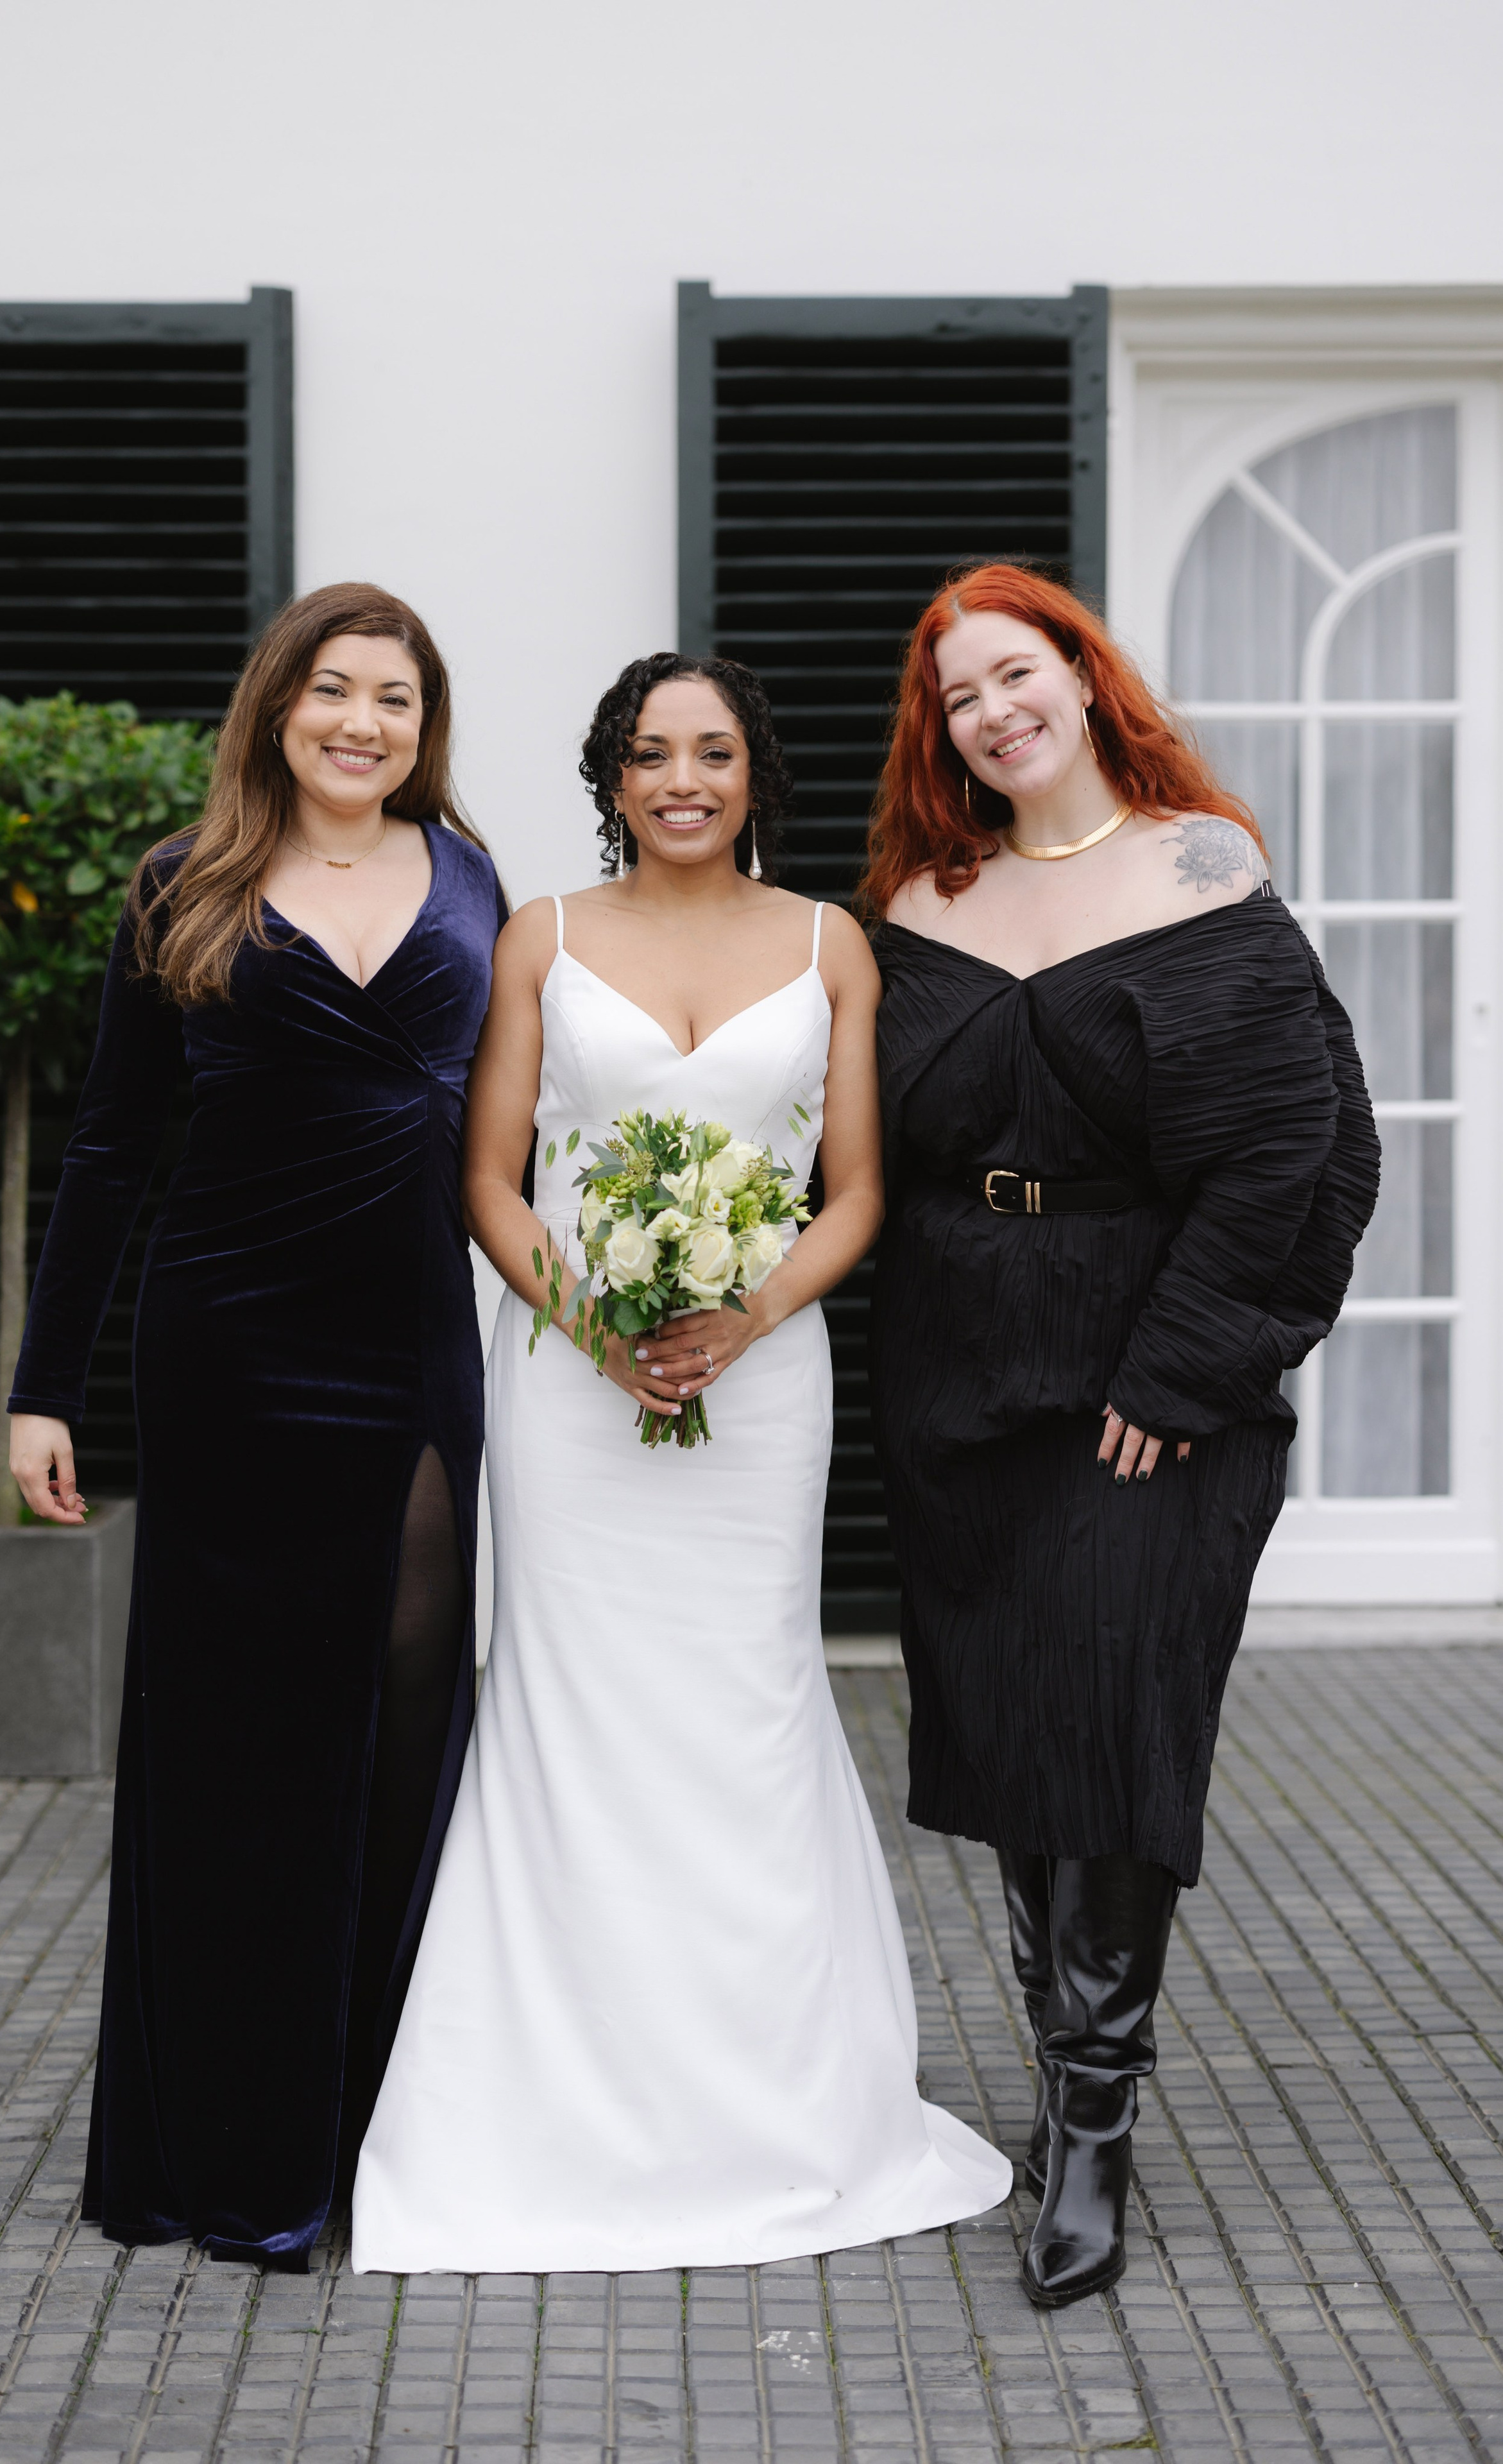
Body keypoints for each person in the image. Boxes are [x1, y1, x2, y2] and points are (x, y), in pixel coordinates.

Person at [350, 651, 1011, 2273]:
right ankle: (554, 2099)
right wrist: (594, 1327)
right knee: (572, 1703)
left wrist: (748, 1313)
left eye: (711, 752)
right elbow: (490, 1181)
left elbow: (852, 1188)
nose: (682, 781)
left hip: (762, 1387)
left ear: (753, 772)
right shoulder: (542, 939)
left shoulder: (828, 944)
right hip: (572, 1393)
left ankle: (766, 2107)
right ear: (613, 779)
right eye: (649, 755)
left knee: (745, 1705)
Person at [863, 564, 1379, 2309]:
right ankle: (1053, 2085)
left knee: (1117, 1718)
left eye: (1019, 673)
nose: (994, 712)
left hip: (1155, 1385)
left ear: (1084, 680)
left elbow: (1297, 1157)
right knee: (1015, 1729)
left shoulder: (1202, 868)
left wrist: (1178, 1377)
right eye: (960, 698)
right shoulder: (917, 901)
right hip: (961, 1371)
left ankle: (1093, 2132)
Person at [6, 583, 506, 2270]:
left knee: (401, 1727)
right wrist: (39, 1387)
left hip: (418, 1358)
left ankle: (381, 2124)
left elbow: (524, 1129)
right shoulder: (184, 886)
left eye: (396, 699)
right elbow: (104, 1151)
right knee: (232, 1757)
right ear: (277, 706)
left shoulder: (474, 878)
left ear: (425, 728)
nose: (363, 723)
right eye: (334, 691)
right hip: (227, 1355)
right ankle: (217, 2148)